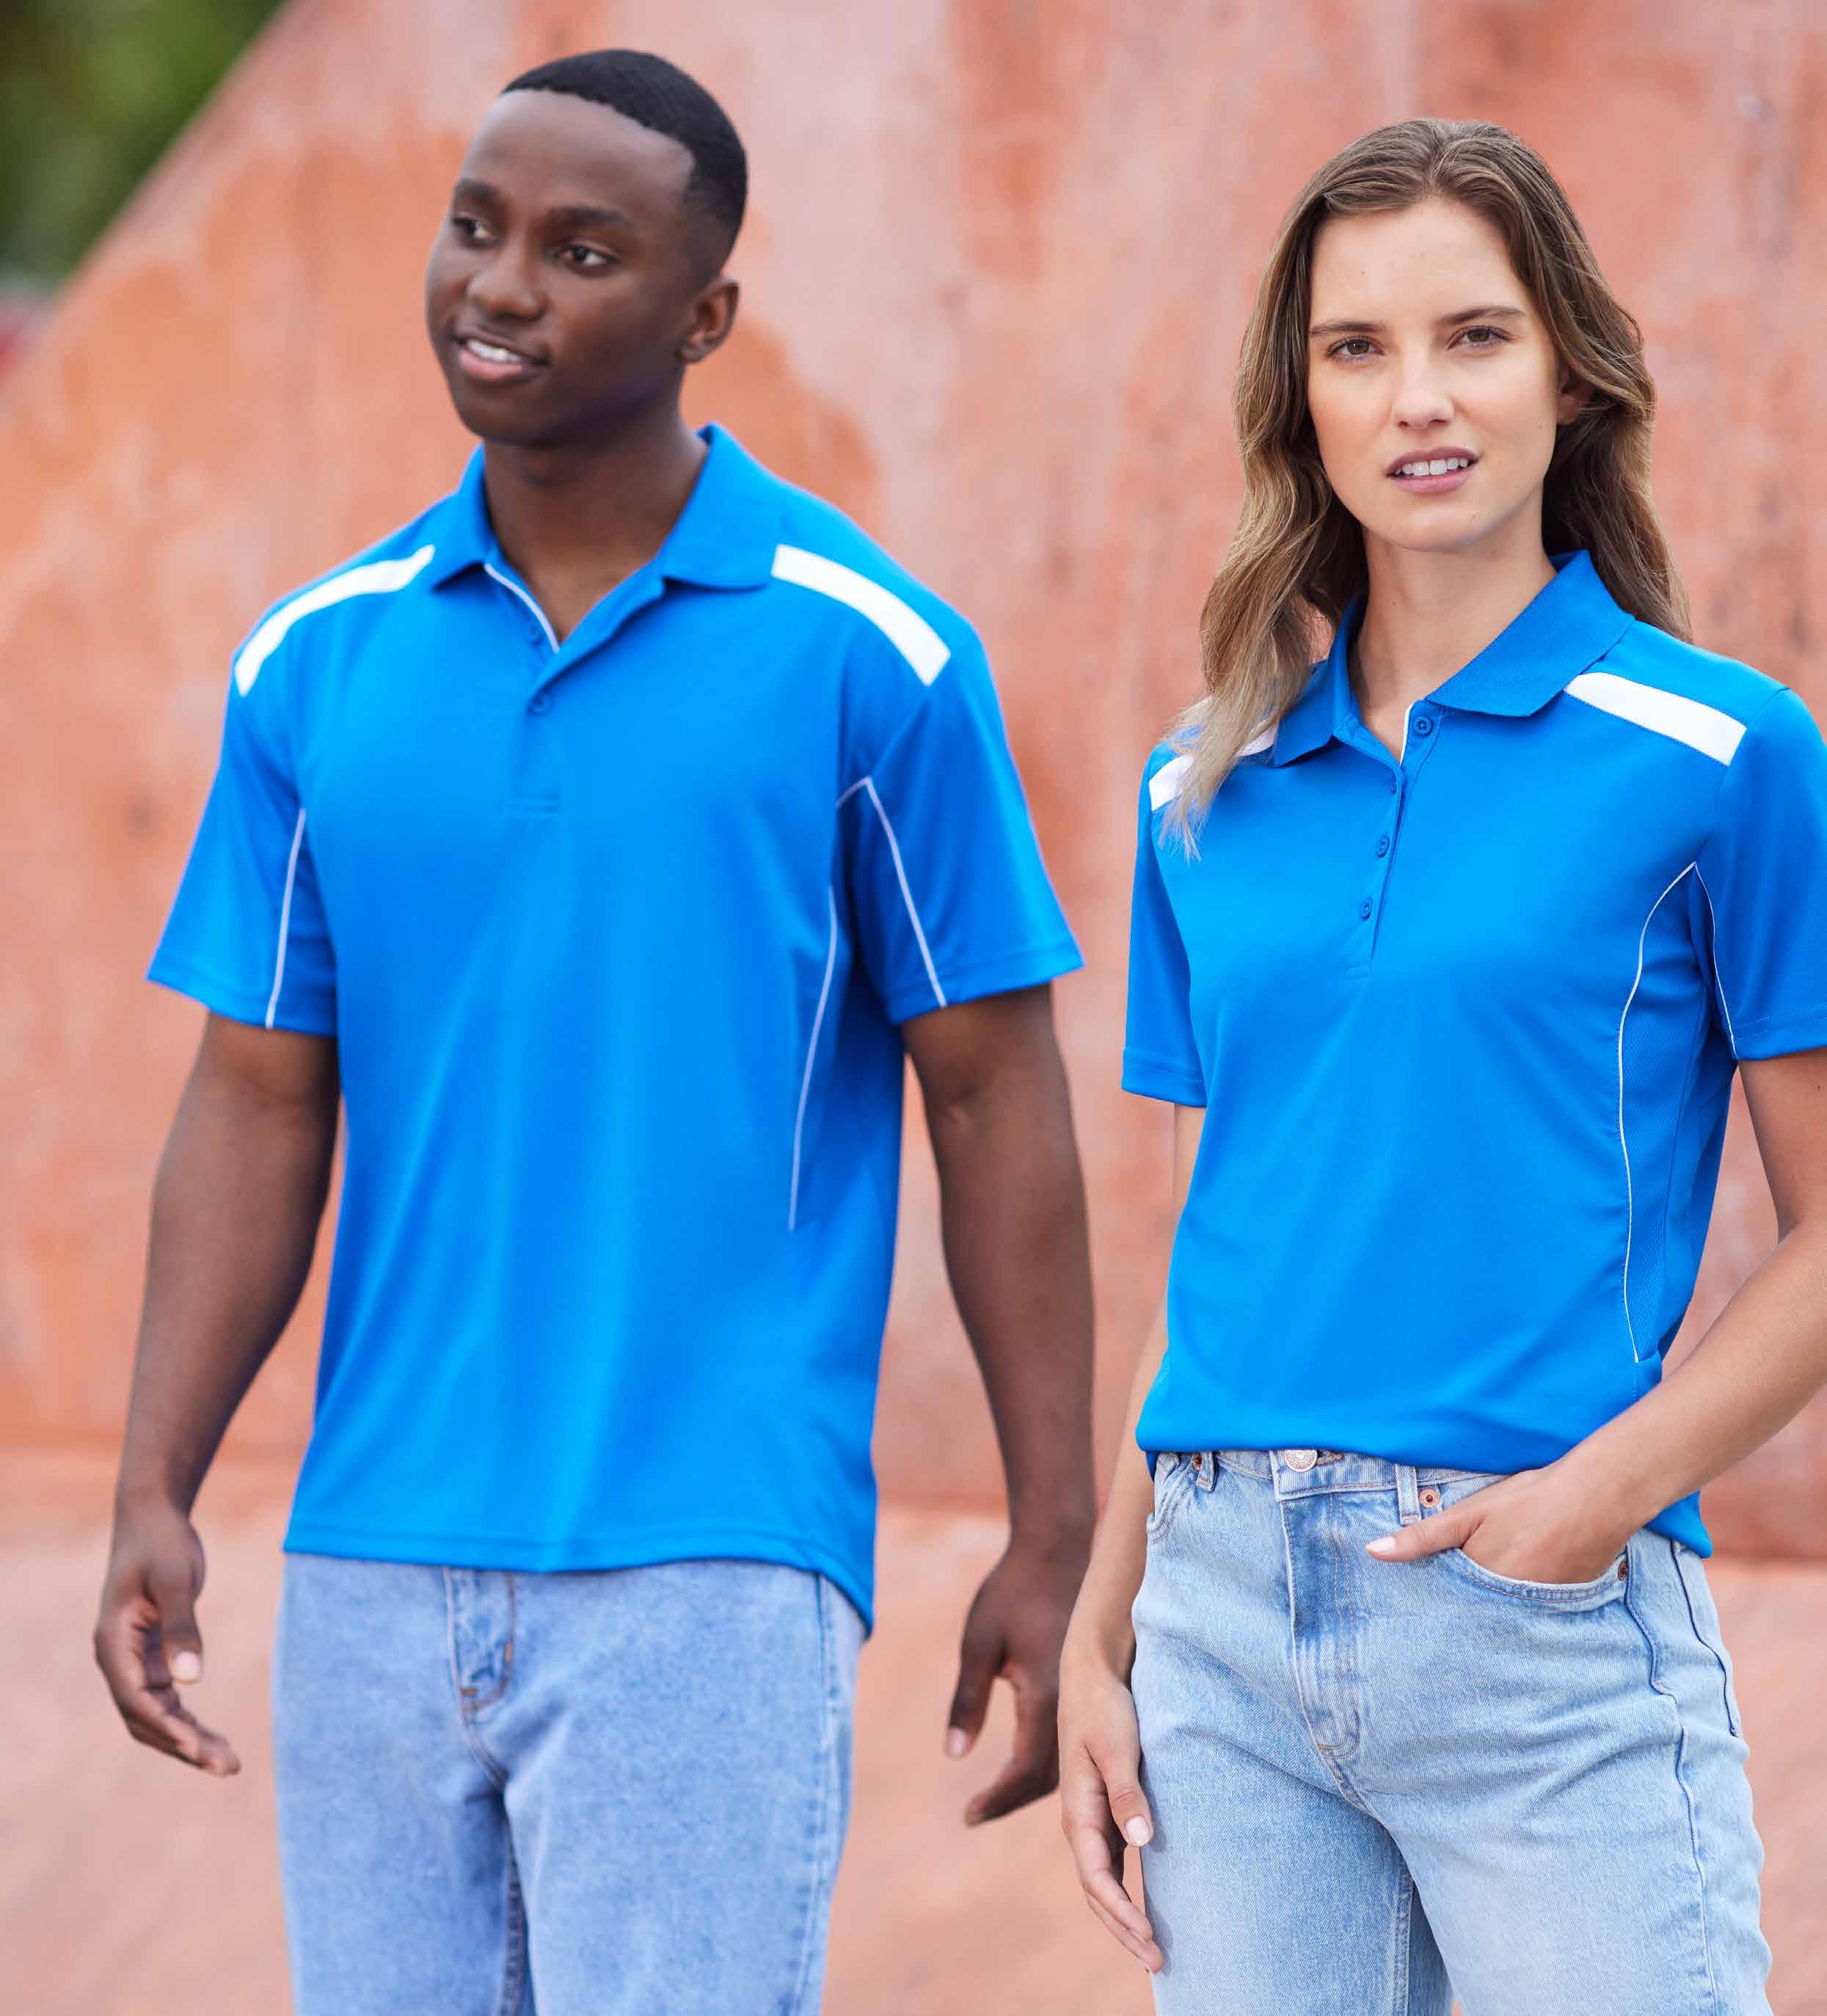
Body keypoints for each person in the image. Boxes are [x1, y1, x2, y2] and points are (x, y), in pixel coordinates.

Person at [93, 48, 1095, 2016]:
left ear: (705, 315)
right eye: (475, 227)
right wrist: (156, 1479)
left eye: (580, 250)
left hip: (707, 1564)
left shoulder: (868, 654)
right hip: (371, 1566)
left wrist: (1050, 1533)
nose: (500, 285)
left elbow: (995, 1097)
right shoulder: (317, 660)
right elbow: (258, 1095)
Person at [1059, 116, 1827, 2015]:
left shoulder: (1719, 754)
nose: (1418, 398)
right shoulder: (1201, 786)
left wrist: (1590, 1501)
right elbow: (1227, 1240)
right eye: (1357, 348)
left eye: (1473, 336)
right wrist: (1101, 1622)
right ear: (1301, 403)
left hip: (1533, 1618)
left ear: (1569, 373)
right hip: (1217, 1629)